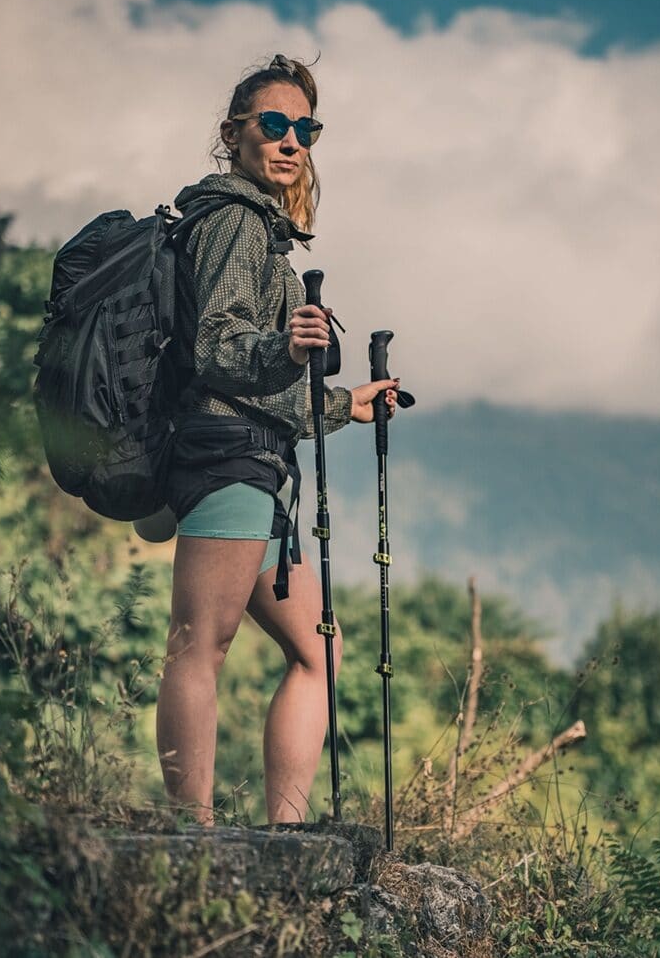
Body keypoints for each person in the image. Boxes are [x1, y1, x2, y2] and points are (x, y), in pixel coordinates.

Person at [152, 54, 399, 826]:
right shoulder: (232, 219)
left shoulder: (262, 227)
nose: (292, 141)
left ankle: (287, 831)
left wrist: (344, 404)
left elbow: (263, 383)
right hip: (225, 459)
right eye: (274, 124)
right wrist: (285, 348)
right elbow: (219, 350)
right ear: (234, 133)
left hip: (255, 466)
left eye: (305, 129)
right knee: (200, 644)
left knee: (317, 650)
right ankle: (191, 832)